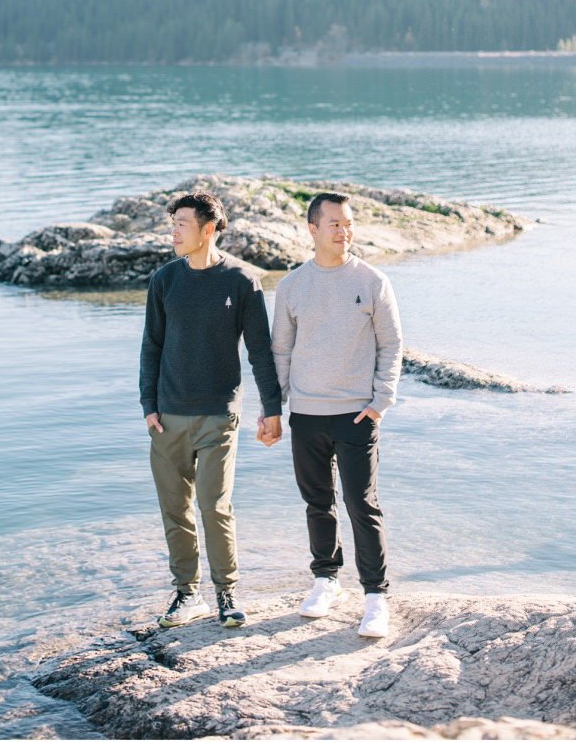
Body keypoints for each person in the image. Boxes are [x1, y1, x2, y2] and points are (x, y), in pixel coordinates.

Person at [139, 190, 283, 628]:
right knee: (175, 510)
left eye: (181, 223)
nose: (174, 231)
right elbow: (151, 345)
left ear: (208, 229)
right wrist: (148, 405)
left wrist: (271, 409)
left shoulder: (241, 281)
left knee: (214, 505)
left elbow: (260, 350)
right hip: (167, 417)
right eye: (172, 223)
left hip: (220, 414)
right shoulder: (165, 280)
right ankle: (186, 595)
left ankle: (226, 593)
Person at [271, 191, 404, 639]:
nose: (344, 231)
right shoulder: (291, 286)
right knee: (317, 503)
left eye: (348, 223)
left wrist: (380, 402)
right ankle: (326, 579)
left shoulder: (372, 281)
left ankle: (375, 596)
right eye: (335, 224)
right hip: (306, 414)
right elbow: (280, 352)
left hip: (356, 415)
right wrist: (275, 409)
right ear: (313, 229)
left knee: (361, 504)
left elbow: (391, 345)